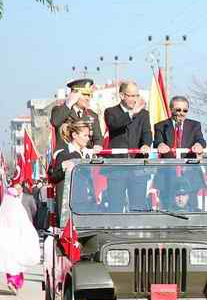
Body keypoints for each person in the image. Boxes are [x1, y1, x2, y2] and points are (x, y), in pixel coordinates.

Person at [104, 81, 153, 211]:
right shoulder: (111, 112)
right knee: (115, 206)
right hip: (117, 168)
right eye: (131, 96)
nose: (135, 99)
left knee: (138, 206)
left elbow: (147, 133)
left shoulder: (143, 114)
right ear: (122, 95)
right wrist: (131, 114)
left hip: (137, 168)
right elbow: (114, 124)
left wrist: (146, 145)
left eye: (137, 95)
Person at [0, 185, 41, 294]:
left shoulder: (3, 210)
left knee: (8, 261)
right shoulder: (18, 209)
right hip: (17, 240)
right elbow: (25, 225)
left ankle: (11, 280)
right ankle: (14, 282)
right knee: (17, 261)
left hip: (5, 240)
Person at [48, 118, 97, 218]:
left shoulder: (87, 154)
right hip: (72, 206)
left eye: (89, 136)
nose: (88, 139)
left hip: (87, 203)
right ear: (74, 135)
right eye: (85, 135)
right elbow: (54, 177)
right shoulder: (64, 154)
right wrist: (63, 166)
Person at [50, 78, 103, 149]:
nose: (87, 98)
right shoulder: (60, 110)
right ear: (73, 94)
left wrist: (98, 145)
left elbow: (98, 138)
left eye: (89, 95)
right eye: (84, 94)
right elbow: (55, 122)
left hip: (85, 157)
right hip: (66, 156)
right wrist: (69, 104)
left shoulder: (92, 115)